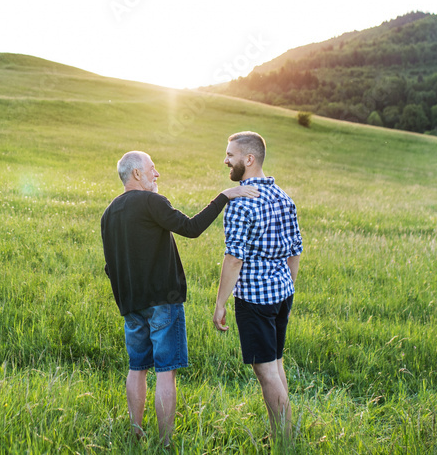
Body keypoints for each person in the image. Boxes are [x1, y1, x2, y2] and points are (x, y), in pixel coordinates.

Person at [101, 150, 258, 447]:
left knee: (137, 368)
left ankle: (136, 432)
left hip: (131, 305)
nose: (156, 174)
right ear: (137, 174)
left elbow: (111, 266)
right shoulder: (151, 201)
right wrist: (224, 196)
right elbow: (191, 228)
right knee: (165, 371)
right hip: (163, 301)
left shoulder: (109, 213)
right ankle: (165, 442)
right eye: (152, 169)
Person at [213, 131, 303, 445]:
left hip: (254, 299)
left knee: (265, 371)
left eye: (230, 155)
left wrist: (220, 302)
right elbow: (295, 250)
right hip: (281, 294)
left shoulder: (241, 202)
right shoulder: (283, 196)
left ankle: (283, 442)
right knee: (275, 363)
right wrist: (286, 286)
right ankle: (284, 432)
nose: (225, 160)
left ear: (249, 160)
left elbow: (234, 258)